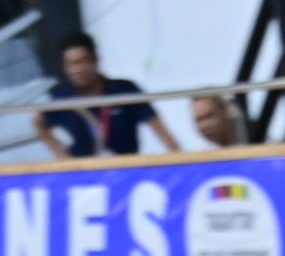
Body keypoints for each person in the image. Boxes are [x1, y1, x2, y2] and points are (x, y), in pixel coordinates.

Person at [33, 32, 182, 160]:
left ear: (95, 60)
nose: (78, 69)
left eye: (82, 61)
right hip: (86, 177)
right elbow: (39, 123)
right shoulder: (62, 99)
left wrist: (178, 161)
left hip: (126, 170)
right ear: (65, 68)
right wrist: (65, 159)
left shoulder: (124, 90)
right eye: (71, 64)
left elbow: (158, 128)